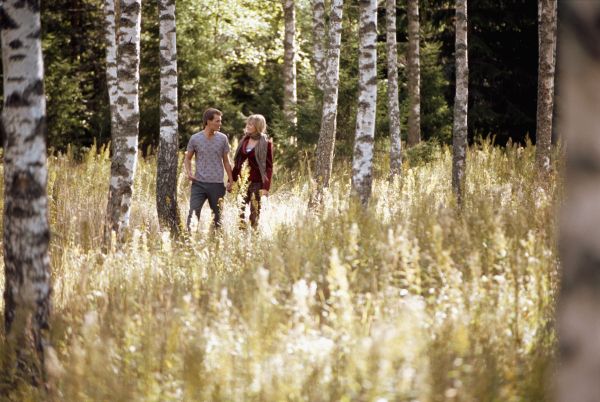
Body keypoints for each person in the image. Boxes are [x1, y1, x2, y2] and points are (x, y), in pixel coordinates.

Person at [184, 108, 233, 231]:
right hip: (198, 184)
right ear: (208, 121)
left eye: (220, 121)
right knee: (193, 213)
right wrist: (189, 173)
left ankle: (217, 244)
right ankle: (189, 242)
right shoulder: (195, 138)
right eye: (217, 121)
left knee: (218, 217)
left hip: (217, 184)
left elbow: (226, 161)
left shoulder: (223, 138)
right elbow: (188, 158)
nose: (220, 124)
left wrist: (230, 180)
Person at [232, 114, 273, 229]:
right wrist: (232, 180)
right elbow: (238, 163)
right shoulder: (244, 140)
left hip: (257, 183)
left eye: (251, 124)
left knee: (255, 216)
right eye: (248, 124)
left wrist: (265, 188)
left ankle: (254, 240)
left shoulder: (266, 143)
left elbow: (269, 167)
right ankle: (241, 239)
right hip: (242, 183)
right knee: (240, 213)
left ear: (258, 126)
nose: (248, 126)